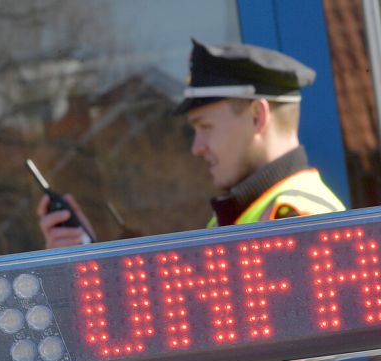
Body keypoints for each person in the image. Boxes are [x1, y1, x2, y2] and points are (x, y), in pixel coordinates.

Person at [37, 39, 346, 249]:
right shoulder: (239, 218)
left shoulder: (298, 221)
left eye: (206, 127)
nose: (197, 147)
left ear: (256, 116)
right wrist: (89, 257)